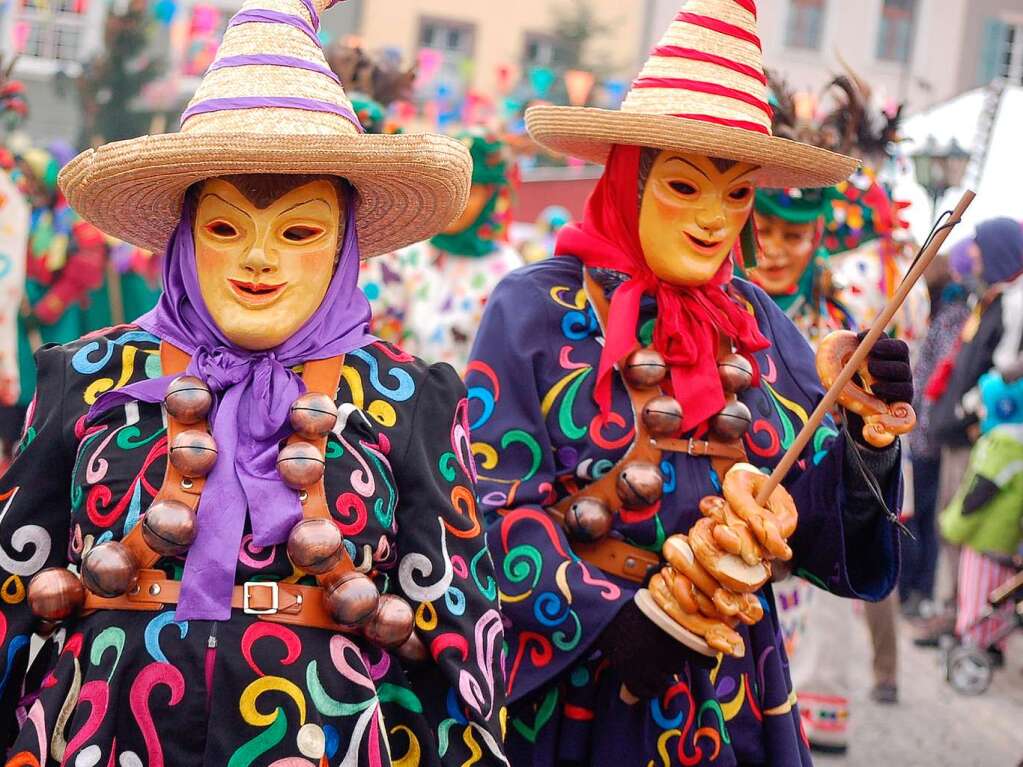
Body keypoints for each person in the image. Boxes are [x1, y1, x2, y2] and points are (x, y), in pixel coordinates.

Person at [0, 1, 507, 764]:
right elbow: (13, 586)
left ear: (343, 244)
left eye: (298, 231)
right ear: (184, 235)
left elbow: (459, 629)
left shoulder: (408, 395)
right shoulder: (88, 374)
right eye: (226, 228)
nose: (259, 259)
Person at [466, 1, 911, 764]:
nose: (713, 220)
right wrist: (613, 622)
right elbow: (481, 505)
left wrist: (864, 440)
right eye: (683, 186)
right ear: (628, 180)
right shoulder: (534, 307)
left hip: (734, 689)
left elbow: (805, 517)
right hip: (576, 695)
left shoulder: (757, 321)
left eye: (736, 193)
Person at [360, 127, 522, 373]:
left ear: (490, 196)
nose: (458, 201)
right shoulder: (398, 254)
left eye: (473, 191)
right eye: (451, 187)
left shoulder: (507, 269)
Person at [940, 369, 1023, 660]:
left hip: (985, 536)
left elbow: (978, 494)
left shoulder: (1003, 445)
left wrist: (951, 525)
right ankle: (994, 643)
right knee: (1001, 593)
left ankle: (973, 640)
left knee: (978, 592)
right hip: (1007, 537)